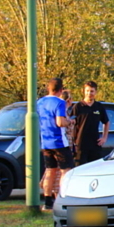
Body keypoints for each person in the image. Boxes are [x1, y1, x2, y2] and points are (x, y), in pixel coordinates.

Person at [37, 77, 73, 211]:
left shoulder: (40, 102)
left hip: (45, 142)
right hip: (59, 142)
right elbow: (60, 122)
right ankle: (62, 199)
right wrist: (69, 122)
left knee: (50, 171)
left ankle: (47, 201)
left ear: (48, 88)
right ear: (61, 90)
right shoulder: (59, 102)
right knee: (66, 170)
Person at [69, 80, 110, 167]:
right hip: (80, 145)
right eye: (87, 91)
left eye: (92, 91)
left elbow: (106, 122)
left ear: (95, 92)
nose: (89, 93)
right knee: (80, 169)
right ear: (83, 91)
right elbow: (70, 123)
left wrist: (104, 137)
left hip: (95, 144)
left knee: (95, 168)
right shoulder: (78, 107)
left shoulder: (99, 106)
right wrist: (72, 142)